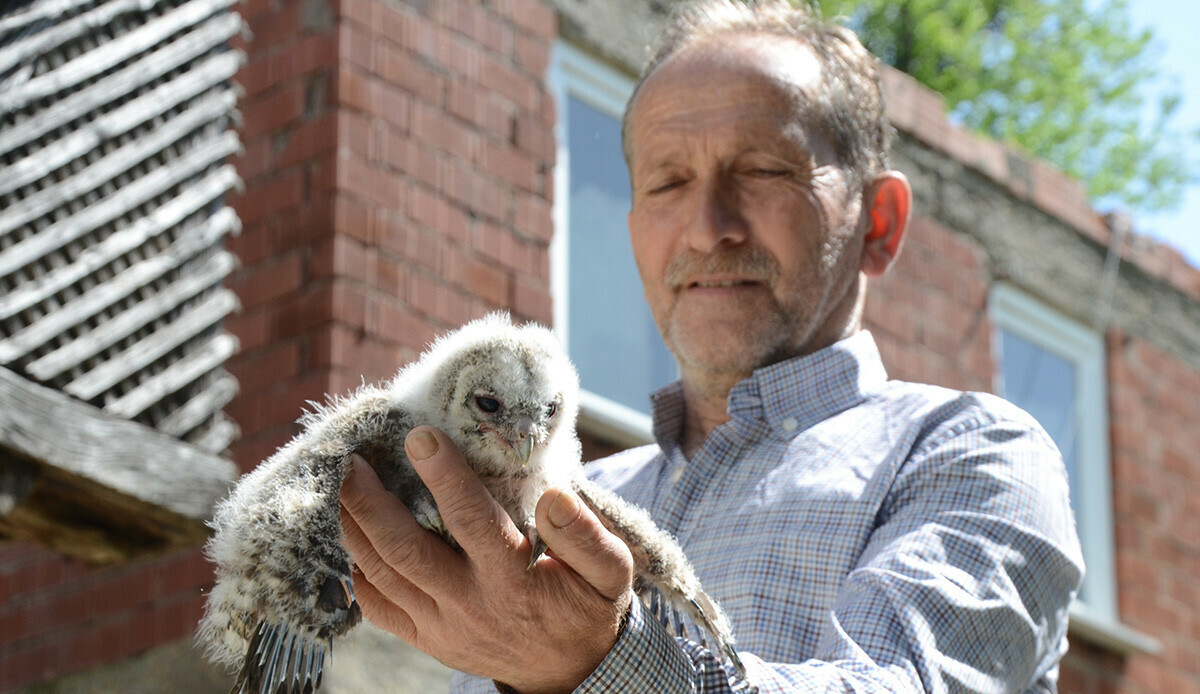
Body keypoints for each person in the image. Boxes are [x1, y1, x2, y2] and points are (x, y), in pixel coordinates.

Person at [338, 0, 1085, 692]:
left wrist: (602, 665)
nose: (707, 227)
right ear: (633, 232)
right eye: (667, 182)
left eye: (763, 169)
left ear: (878, 222)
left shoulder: (971, 455)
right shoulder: (561, 502)